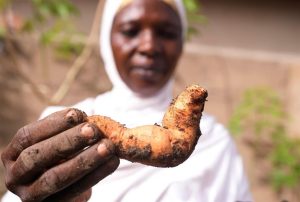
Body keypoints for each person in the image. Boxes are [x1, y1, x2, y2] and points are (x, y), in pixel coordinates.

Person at [1, 0, 253, 201]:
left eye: (166, 33)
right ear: (107, 40)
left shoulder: (216, 142)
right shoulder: (61, 128)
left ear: (181, 42)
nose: (148, 46)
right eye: (130, 31)